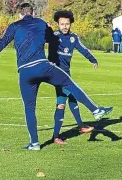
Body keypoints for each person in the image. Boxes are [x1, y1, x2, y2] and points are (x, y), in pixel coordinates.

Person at [0, 3, 113, 151]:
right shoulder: (40, 23)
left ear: (19, 14)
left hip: (25, 73)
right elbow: (51, 38)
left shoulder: (14, 26)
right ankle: (95, 110)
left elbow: (1, 43)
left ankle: (34, 143)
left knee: (29, 108)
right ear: (32, 12)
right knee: (68, 82)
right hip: (43, 66)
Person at [49, 10, 99, 145]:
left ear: (70, 24)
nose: (64, 26)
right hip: (57, 74)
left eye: (67, 24)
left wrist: (92, 59)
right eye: (62, 24)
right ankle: (56, 136)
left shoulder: (74, 37)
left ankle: (80, 126)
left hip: (67, 74)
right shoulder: (53, 36)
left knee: (71, 97)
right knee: (61, 104)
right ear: (58, 24)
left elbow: (83, 49)